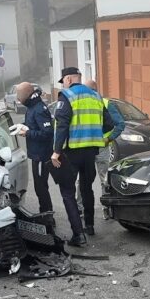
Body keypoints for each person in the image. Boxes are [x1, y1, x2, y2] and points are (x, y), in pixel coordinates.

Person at [51, 67, 114, 246]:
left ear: (69, 79)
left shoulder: (67, 96)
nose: (63, 84)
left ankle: (78, 235)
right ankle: (90, 226)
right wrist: (93, 132)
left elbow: (62, 125)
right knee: (87, 188)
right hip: (91, 152)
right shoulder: (96, 96)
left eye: (63, 80)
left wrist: (56, 152)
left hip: (71, 152)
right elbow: (108, 123)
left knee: (68, 192)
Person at [14, 82, 54, 217]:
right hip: (36, 154)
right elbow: (33, 125)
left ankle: (47, 215)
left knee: (41, 187)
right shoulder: (32, 106)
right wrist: (23, 126)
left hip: (42, 156)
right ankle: (45, 213)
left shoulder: (38, 108)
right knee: (39, 187)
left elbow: (48, 133)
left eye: (19, 96)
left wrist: (28, 133)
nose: (17, 99)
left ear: (26, 94)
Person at [82, 79, 125, 205]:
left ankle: (102, 208)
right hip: (91, 146)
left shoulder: (105, 103)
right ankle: (86, 208)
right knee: (94, 179)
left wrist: (108, 138)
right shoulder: (84, 104)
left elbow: (120, 124)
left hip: (98, 147)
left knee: (101, 179)